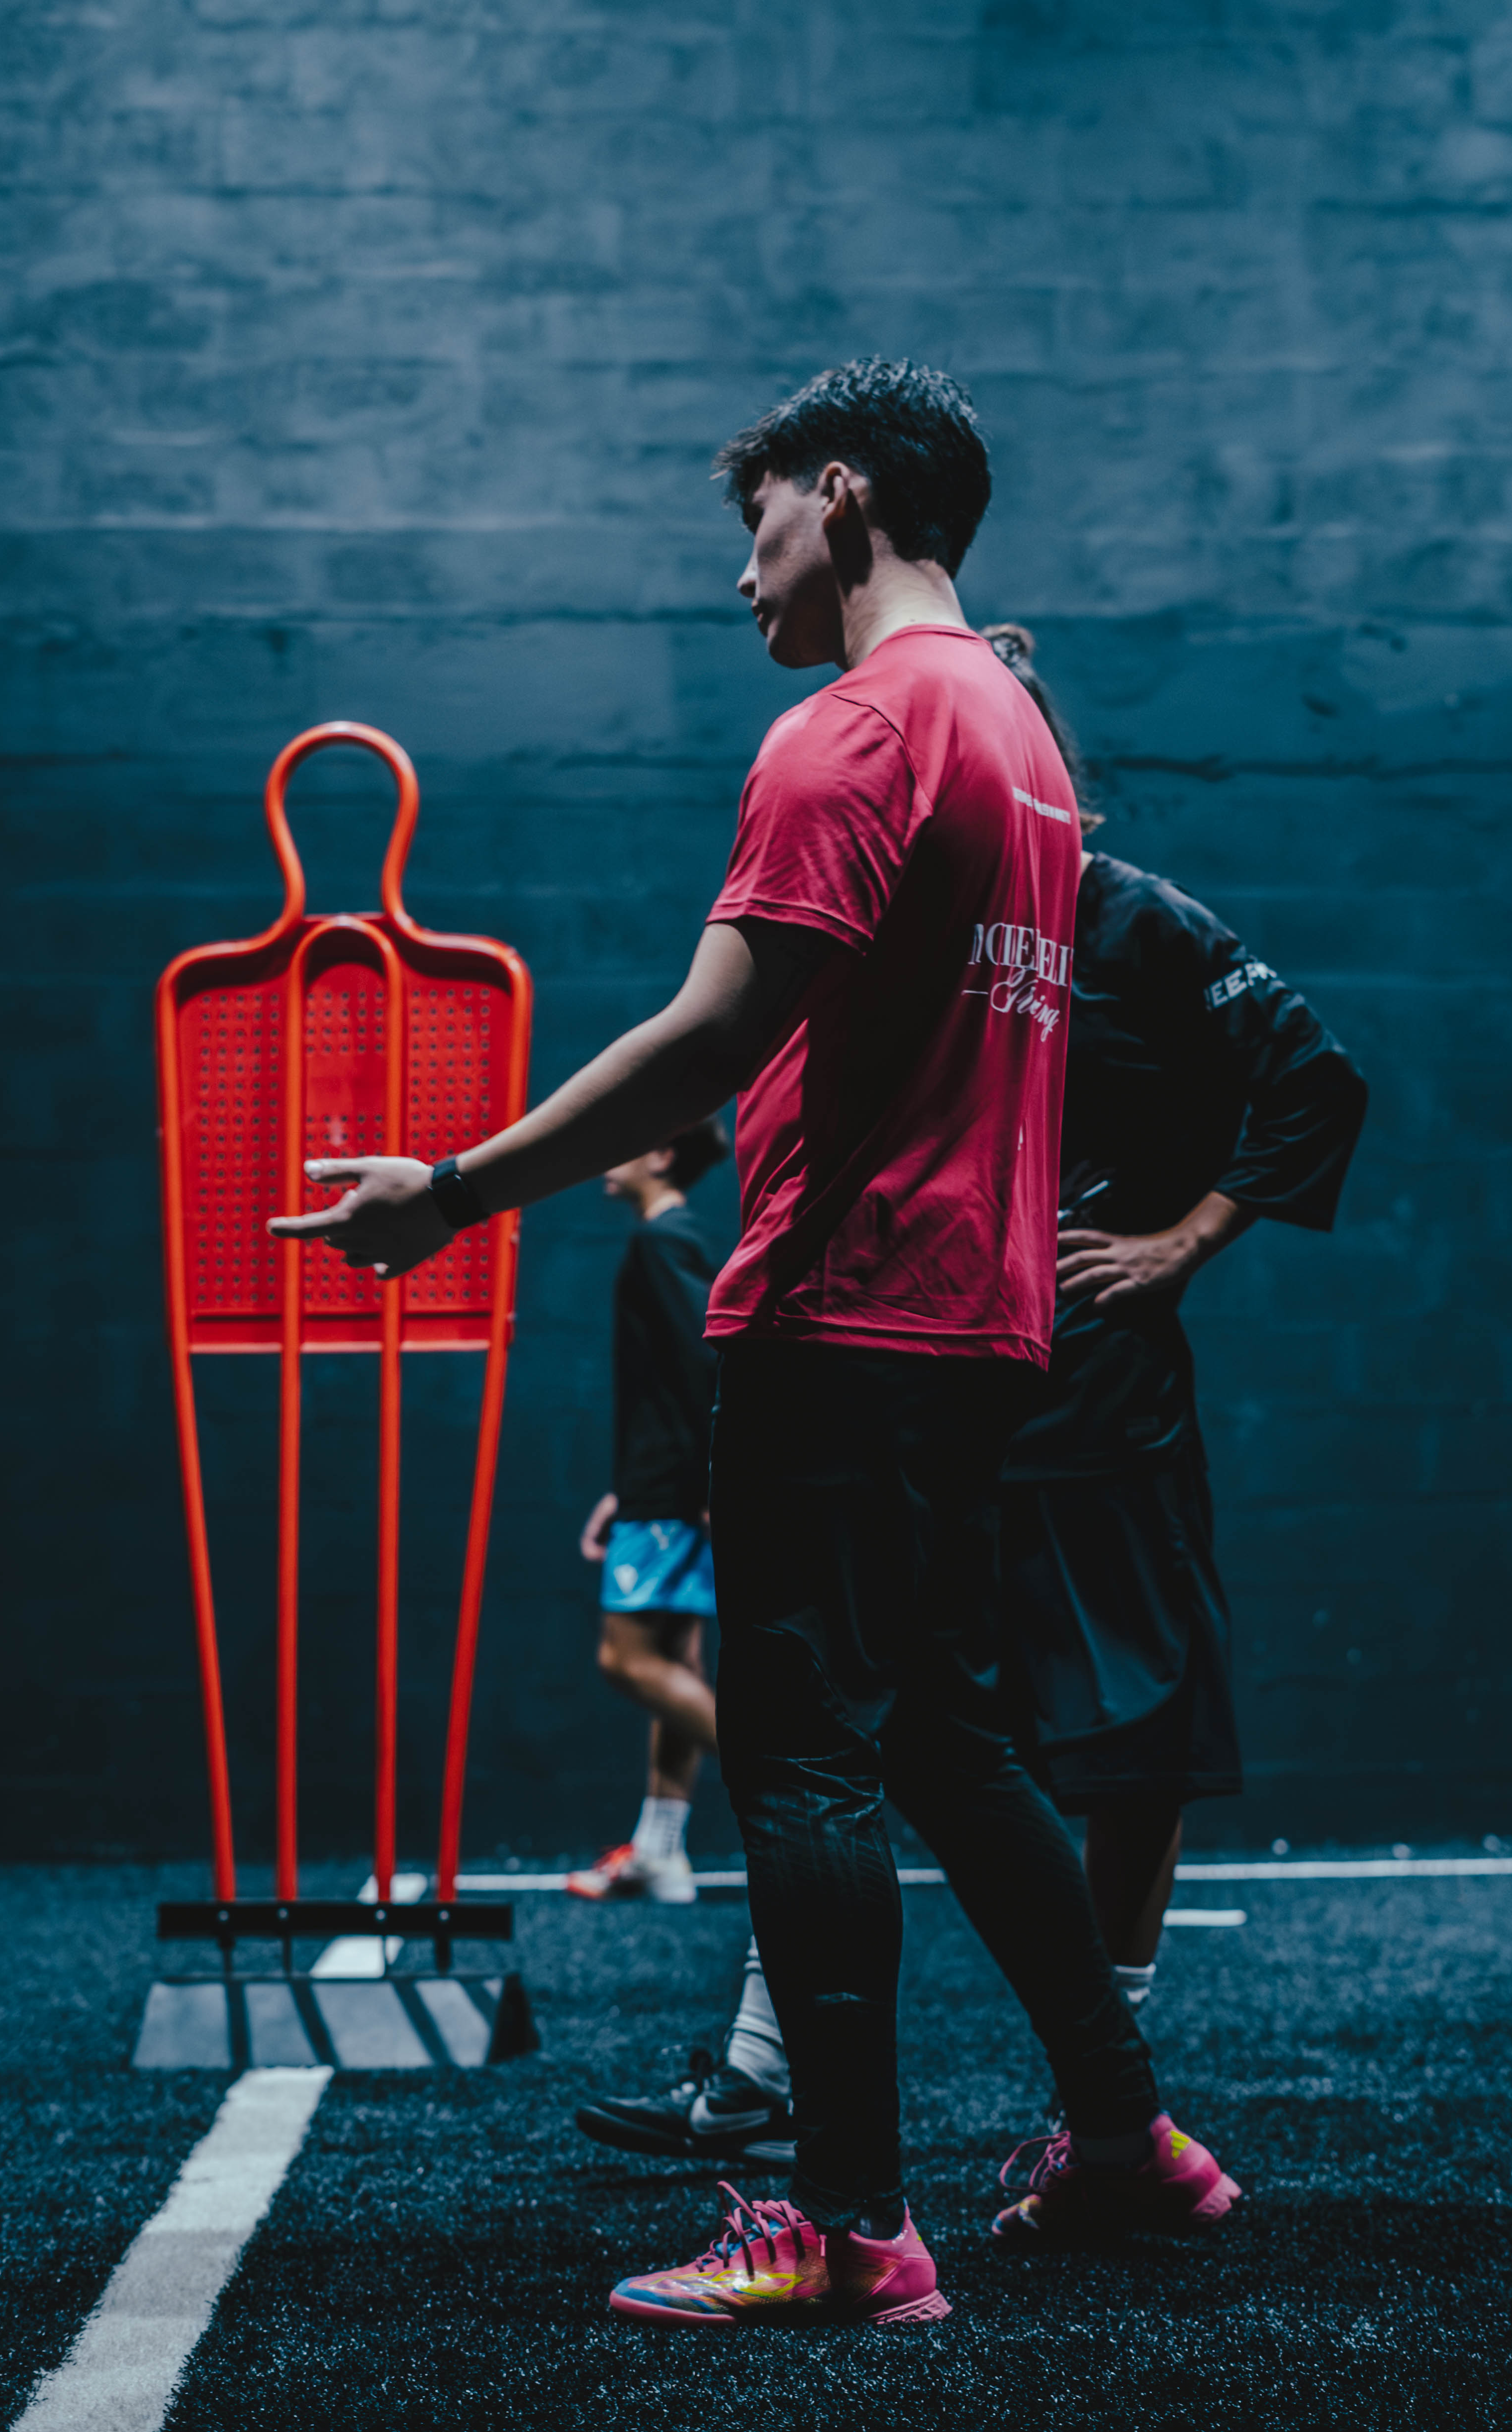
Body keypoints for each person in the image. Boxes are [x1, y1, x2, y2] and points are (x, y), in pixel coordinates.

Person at [271, 360, 1229, 2332]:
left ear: (844, 493)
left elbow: (710, 1033)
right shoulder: (1027, 743)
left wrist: (451, 1189)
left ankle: (852, 2228)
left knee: (802, 1753)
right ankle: (1127, 2135)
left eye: (758, 523)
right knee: (956, 1738)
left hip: (841, 1307)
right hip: (981, 1322)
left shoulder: (858, 729)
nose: (742, 577)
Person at [574, 623, 1368, 2203]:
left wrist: (1182, 1242)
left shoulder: (1136, 923)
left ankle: (1105, 2114)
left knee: (1116, 1742)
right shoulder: (915, 925)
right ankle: (764, 2072)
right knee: (853, 1731)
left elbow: (1316, 1078)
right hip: (941, 1383)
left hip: (1102, 1408)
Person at [567, 1117, 730, 1907]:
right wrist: (625, 1489)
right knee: (679, 1660)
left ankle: (801, 1766)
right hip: (664, 1487)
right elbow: (678, 1381)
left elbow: (706, 1366)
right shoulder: (675, 1239)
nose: (610, 1152)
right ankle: (661, 1851)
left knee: (627, 1659)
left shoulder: (663, 1243)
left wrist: (695, 1485)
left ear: (661, 1153)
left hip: (673, 1494)